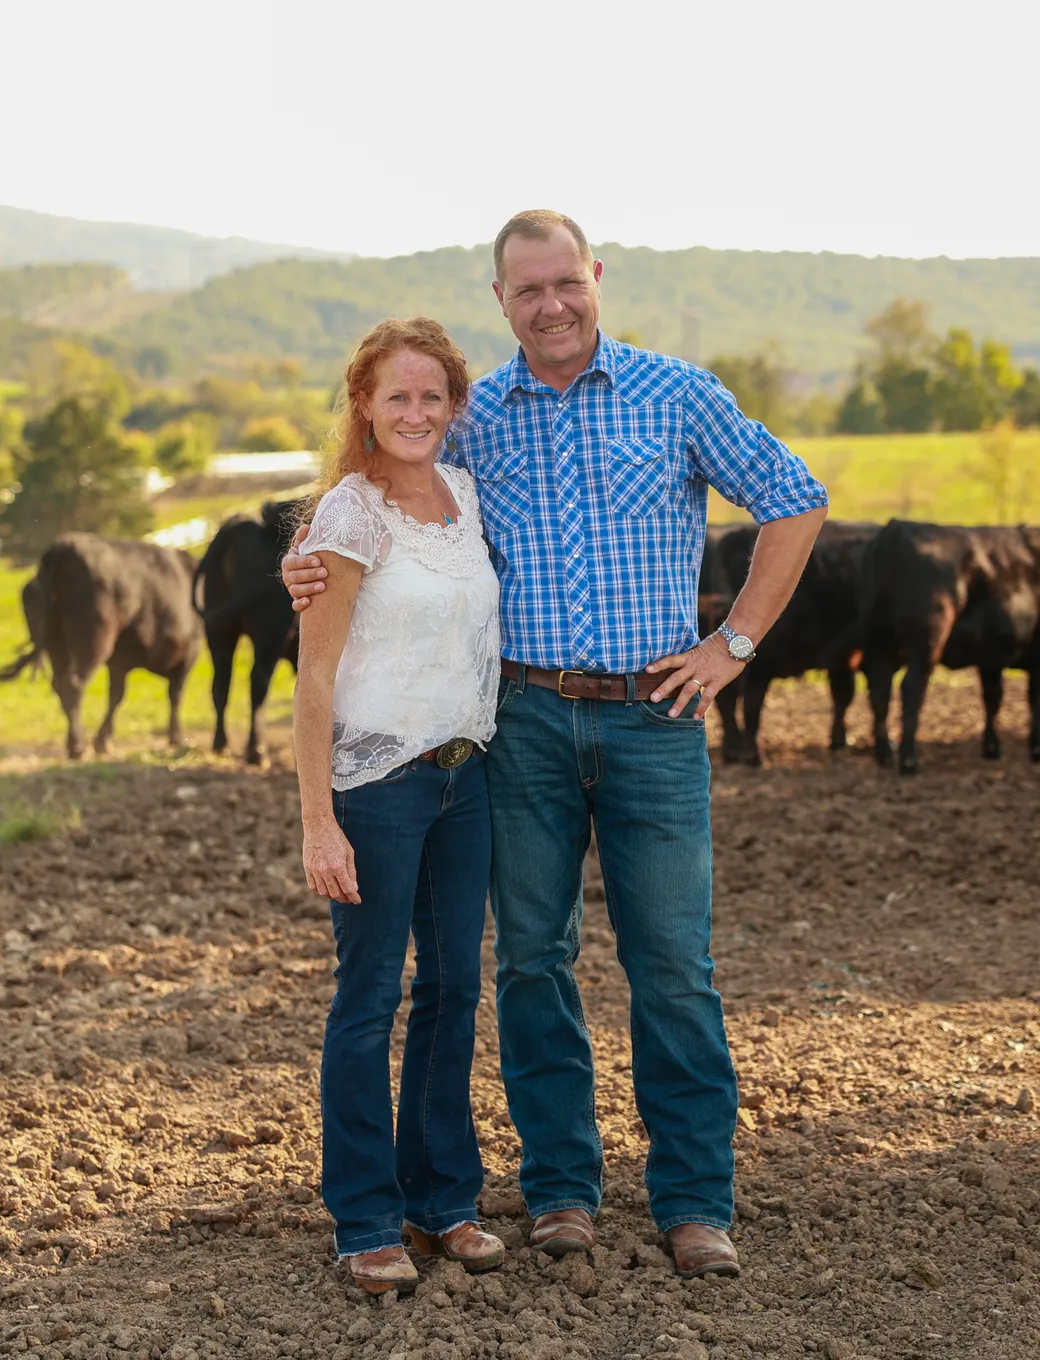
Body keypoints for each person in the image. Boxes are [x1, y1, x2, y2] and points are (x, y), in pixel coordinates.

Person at [283, 210, 828, 1280]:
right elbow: (374, 516)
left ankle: (690, 1199)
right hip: (519, 727)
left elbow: (794, 499)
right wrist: (302, 567)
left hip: (653, 717)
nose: (550, 305)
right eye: (526, 290)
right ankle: (562, 1192)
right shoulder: (474, 416)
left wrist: (733, 643)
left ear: (594, 277)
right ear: (501, 302)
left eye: (564, 282)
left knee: (671, 965)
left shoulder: (676, 394)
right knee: (531, 964)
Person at [293, 316, 505, 1294]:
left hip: (467, 777)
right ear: (365, 408)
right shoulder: (349, 514)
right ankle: (367, 1219)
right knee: (369, 997)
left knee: (454, 989)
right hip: (375, 785)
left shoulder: (462, 495)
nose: (414, 412)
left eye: (431, 396)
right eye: (396, 397)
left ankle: (439, 1199)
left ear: (452, 407)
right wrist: (316, 819)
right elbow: (313, 677)